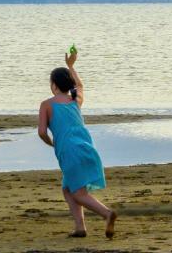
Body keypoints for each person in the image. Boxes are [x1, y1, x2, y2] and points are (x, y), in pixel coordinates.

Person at [37, 48, 117, 239]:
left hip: (69, 151)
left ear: (54, 85)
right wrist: (71, 66)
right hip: (86, 147)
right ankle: (80, 228)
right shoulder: (75, 99)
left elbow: (41, 132)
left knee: (78, 193)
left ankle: (107, 214)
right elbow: (80, 85)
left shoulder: (46, 105)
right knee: (67, 188)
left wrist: (51, 143)